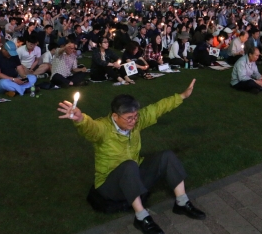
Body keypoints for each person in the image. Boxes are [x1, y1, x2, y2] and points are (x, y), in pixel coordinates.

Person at [57, 79, 205, 234]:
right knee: (129, 165)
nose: (133, 121)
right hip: (110, 185)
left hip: (133, 175)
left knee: (166, 156)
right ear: (115, 116)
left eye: (135, 117)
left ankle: (182, 203)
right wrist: (81, 119)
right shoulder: (103, 128)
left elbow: (157, 109)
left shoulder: (136, 121)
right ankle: (142, 217)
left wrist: (182, 96)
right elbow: (91, 128)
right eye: (129, 118)